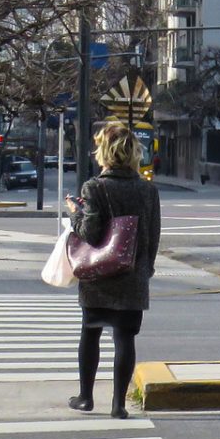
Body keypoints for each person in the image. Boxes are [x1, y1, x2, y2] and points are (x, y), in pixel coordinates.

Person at [64, 122, 162, 419]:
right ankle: (119, 405)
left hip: (99, 277)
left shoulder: (94, 187)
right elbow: (153, 234)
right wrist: (146, 269)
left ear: (104, 152)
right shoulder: (147, 190)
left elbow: (90, 233)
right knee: (125, 339)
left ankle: (86, 397)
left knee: (90, 333)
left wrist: (75, 213)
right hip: (133, 275)